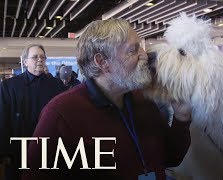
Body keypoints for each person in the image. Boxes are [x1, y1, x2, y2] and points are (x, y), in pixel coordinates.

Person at [22, 18, 191, 180]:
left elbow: (171, 158)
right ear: (102, 62)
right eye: (133, 50)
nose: (145, 56)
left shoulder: (143, 100)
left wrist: (181, 118)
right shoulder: (61, 114)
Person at [0, 44, 65, 180]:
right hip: (18, 149)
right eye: (35, 57)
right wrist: (4, 152)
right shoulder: (8, 87)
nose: (40, 60)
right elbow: (2, 119)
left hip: (49, 149)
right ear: (25, 61)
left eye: (42, 57)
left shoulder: (57, 85)